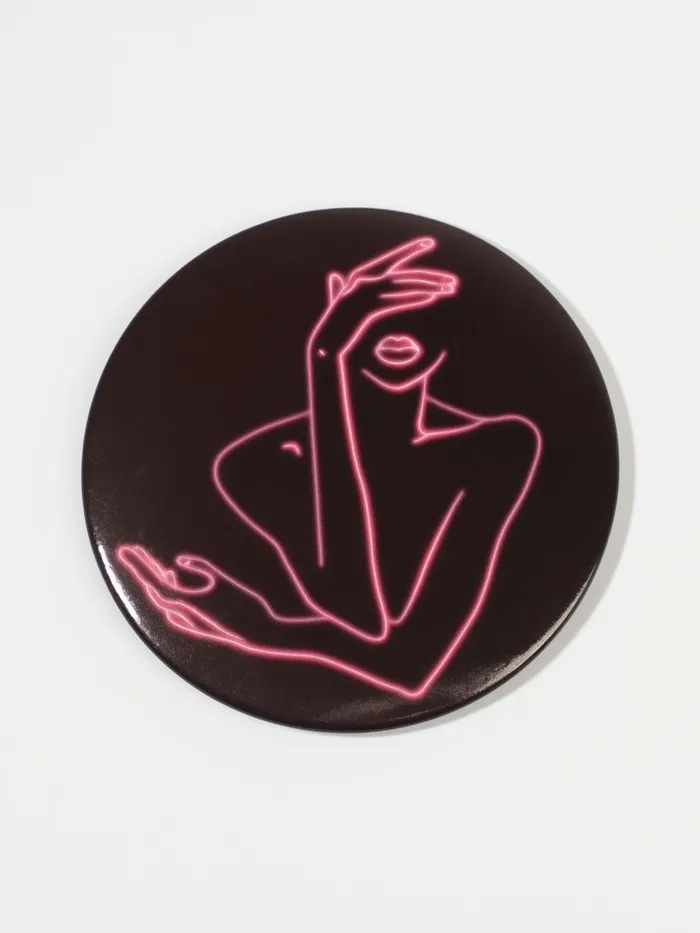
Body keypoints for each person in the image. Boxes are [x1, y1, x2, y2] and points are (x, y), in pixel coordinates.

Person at [118, 237, 542, 700]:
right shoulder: (259, 463)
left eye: (426, 297)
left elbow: (414, 666)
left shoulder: (499, 448)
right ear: (335, 305)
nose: (400, 324)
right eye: (377, 301)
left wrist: (264, 630)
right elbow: (356, 609)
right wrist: (325, 357)